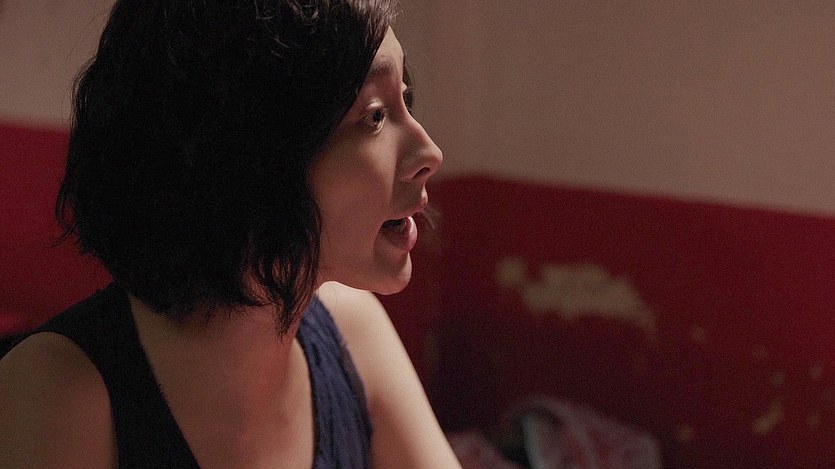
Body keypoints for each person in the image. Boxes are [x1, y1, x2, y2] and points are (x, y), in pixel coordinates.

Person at [0, 0, 461, 467]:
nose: (430, 152)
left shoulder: (352, 331)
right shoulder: (59, 391)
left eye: (405, 97)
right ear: (246, 157)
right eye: (375, 115)